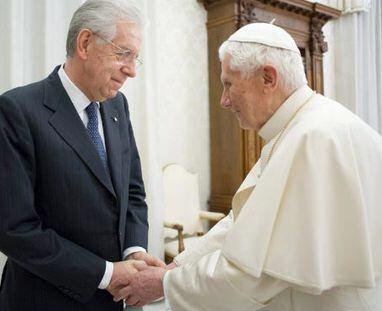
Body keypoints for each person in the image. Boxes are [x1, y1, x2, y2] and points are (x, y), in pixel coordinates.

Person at [113, 23, 382, 310]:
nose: (224, 100)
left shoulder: (311, 139)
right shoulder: (300, 128)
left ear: (268, 77)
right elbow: (242, 223)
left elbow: (253, 273)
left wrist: (164, 284)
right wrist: (176, 266)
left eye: (229, 84)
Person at [0, 0, 164, 310]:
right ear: (85, 43)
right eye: (124, 54)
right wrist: (106, 273)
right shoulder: (16, 110)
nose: (132, 71)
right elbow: (13, 230)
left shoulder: (117, 107)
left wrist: (133, 251)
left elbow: (132, 193)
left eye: (136, 59)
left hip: (111, 301)